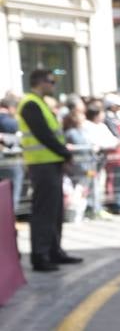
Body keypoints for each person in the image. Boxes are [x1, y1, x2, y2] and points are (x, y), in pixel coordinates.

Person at [17, 69, 80, 271]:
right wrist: (65, 153)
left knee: (54, 210)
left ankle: (54, 251)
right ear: (39, 82)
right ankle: (40, 255)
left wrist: (62, 155)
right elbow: (44, 135)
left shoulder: (40, 103)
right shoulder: (30, 103)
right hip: (42, 163)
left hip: (51, 163)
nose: (53, 85)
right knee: (44, 211)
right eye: (50, 81)